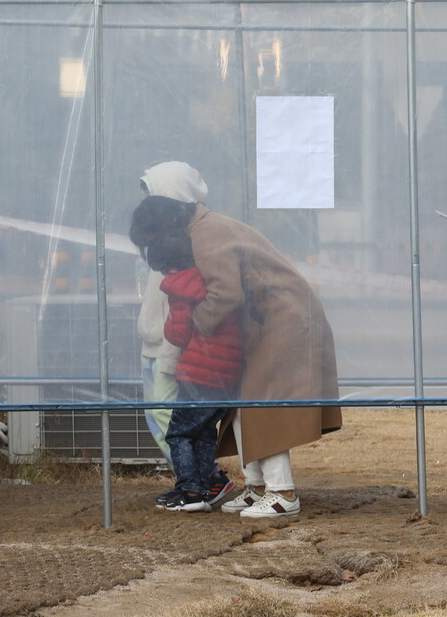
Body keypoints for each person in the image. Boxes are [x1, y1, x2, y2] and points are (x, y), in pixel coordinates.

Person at [129, 174, 341, 519]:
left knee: (260, 404)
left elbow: (225, 294)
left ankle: (282, 493)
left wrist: (195, 329)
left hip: (281, 320)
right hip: (270, 320)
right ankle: (257, 487)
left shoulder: (206, 235)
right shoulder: (208, 226)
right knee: (242, 407)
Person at [135, 161, 234, 503]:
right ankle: (203, 480)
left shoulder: (185, 244)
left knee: (172, 421)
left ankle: (202, 481)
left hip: (171, 349)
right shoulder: (166, 239)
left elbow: (180, 310)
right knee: (164, 417)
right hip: (158, 343)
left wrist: (170, 352)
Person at [144, 231, 243, 512]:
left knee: (179, 433)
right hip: (227, 374)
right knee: (203, 433)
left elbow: (177, 333)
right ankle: (202, 489)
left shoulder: (178, 287)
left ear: (166, 266)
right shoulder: (215, 281)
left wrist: (169, 321)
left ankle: (189, 490)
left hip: (197, 373)